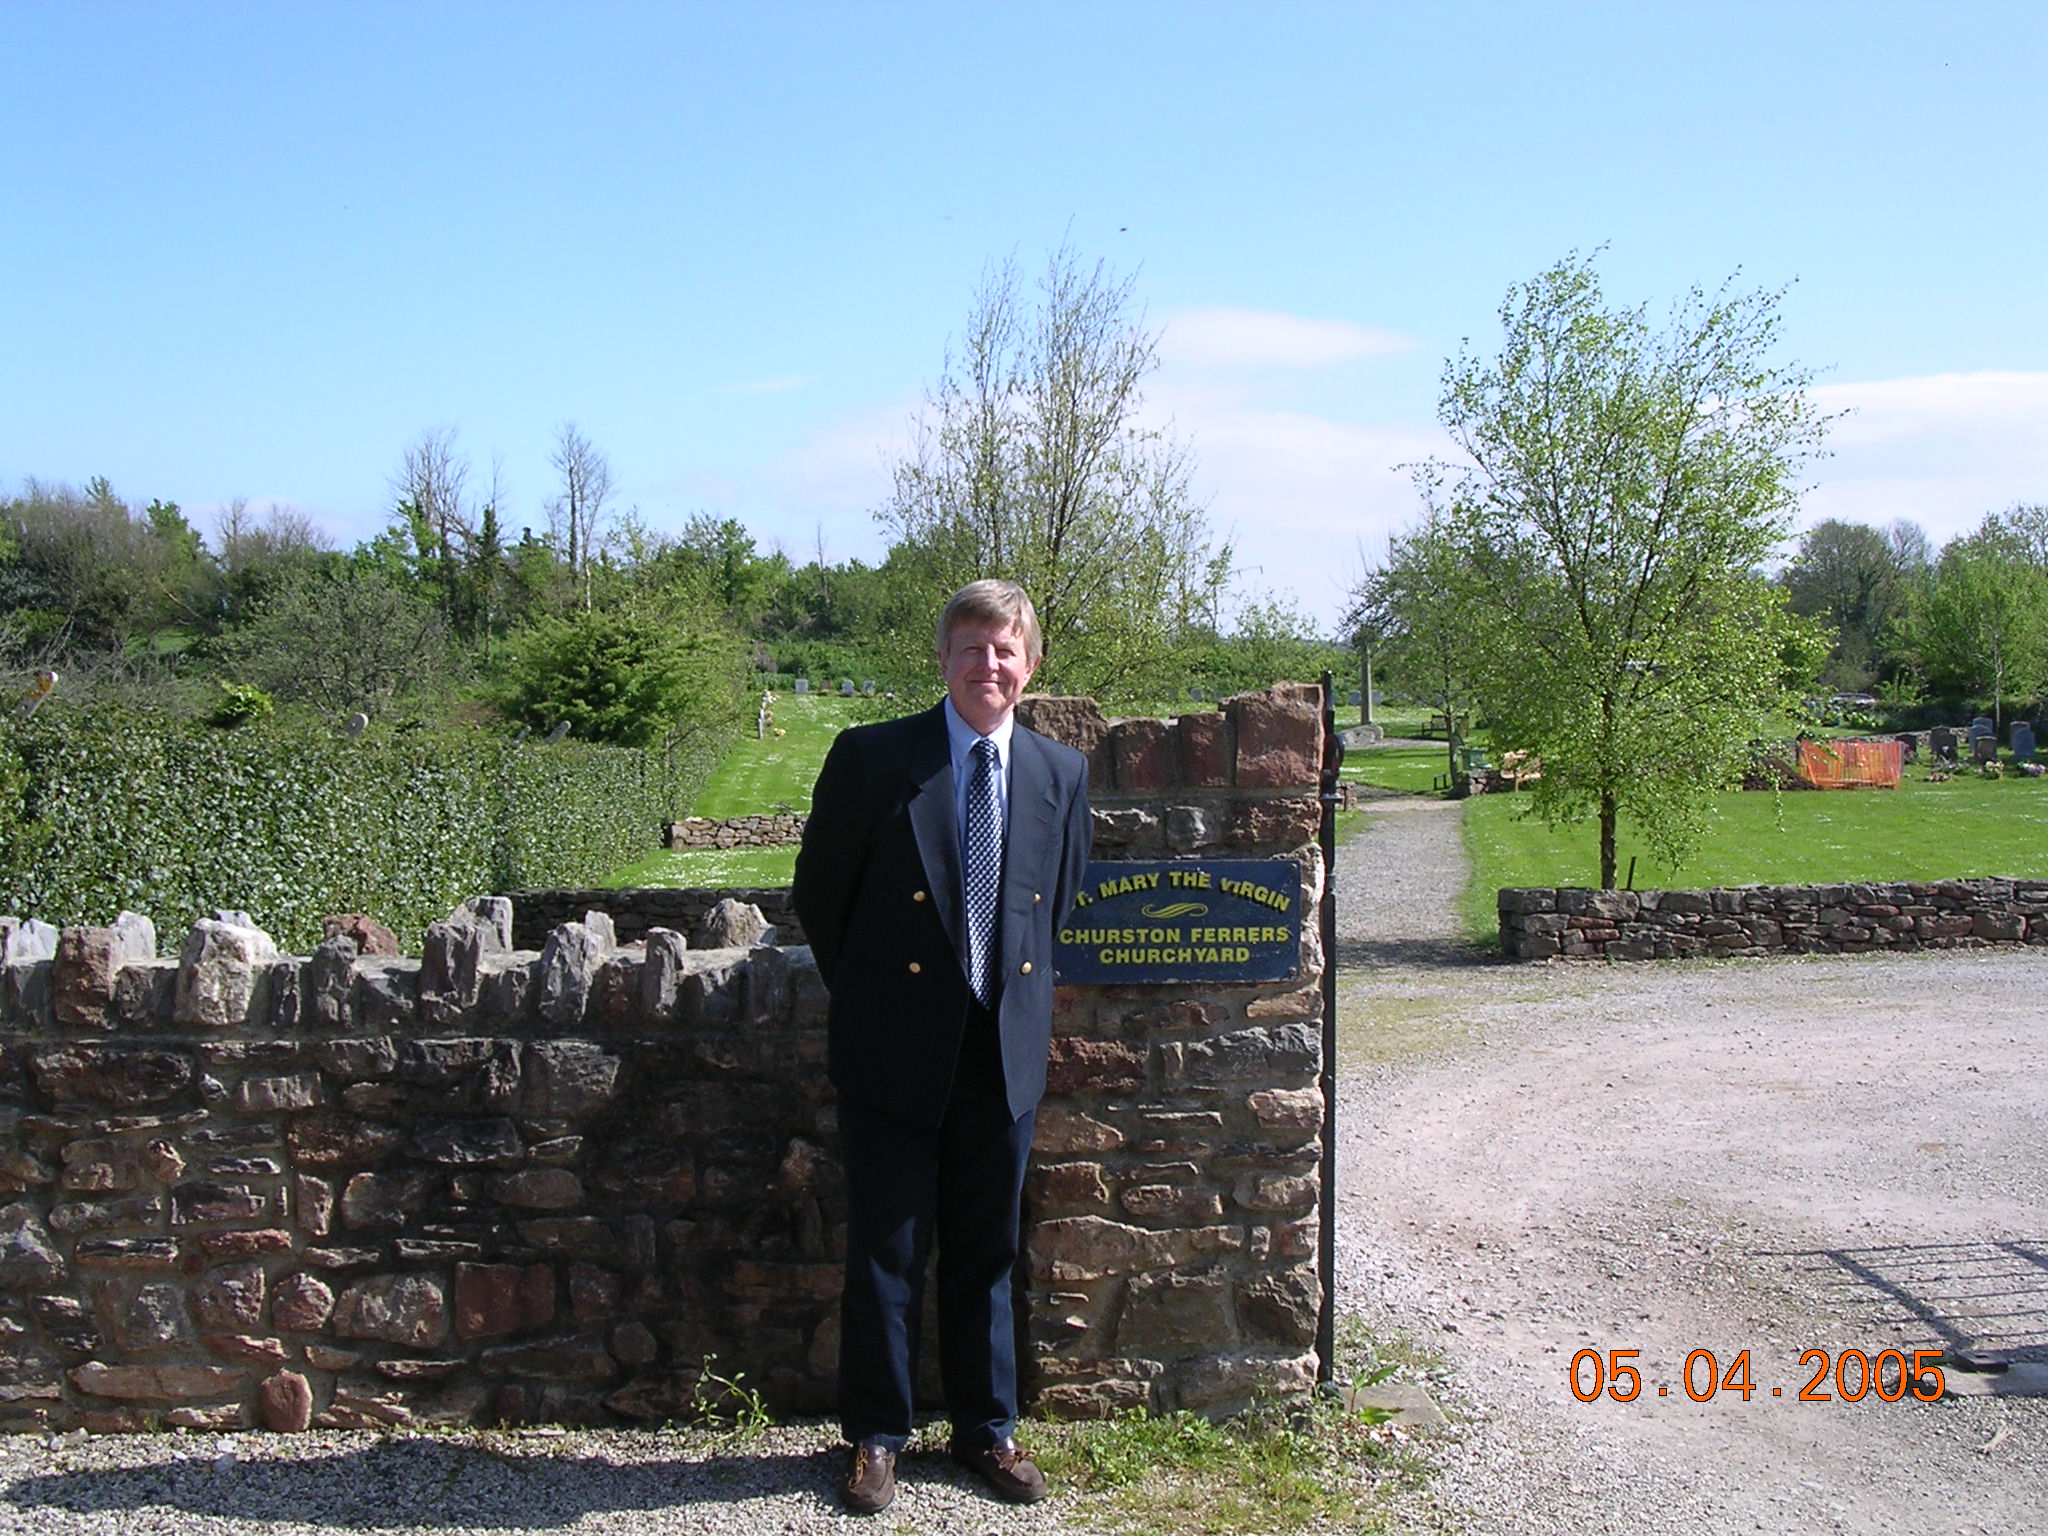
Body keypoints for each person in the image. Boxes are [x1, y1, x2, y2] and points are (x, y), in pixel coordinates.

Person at [792, 579, 1092, 1514]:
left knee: (985, 1249)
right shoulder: (873, 758)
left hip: (1001, 1048)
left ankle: (985, 1431)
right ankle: (877, 1437)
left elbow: (1062, 902)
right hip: (893, 1047)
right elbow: (820, 898)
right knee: (886, 1247)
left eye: (1005, 650)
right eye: (971, 647)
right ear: (945, 658)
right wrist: (883, 1003)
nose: (988, 665)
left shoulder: (1058, 773)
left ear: (1030, 665)